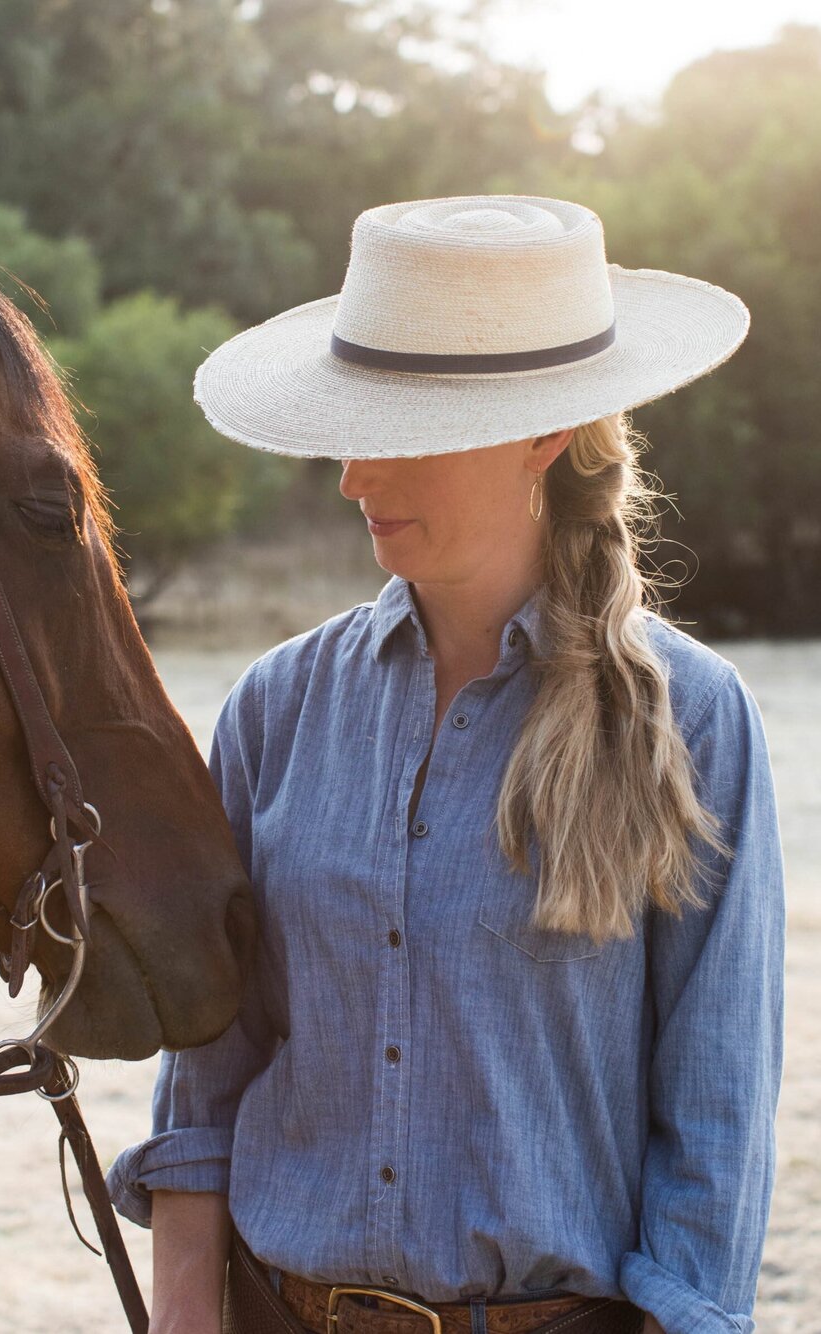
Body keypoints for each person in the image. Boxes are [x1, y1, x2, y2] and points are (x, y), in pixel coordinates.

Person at [107, 197, 785, 1334]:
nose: (352, 477)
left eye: (398, 429)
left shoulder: (692, 721)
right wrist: (184, 1308)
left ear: (543, 432)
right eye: (348, 425)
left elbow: (715, 1118)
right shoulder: (277, 707)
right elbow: (208, 1061)